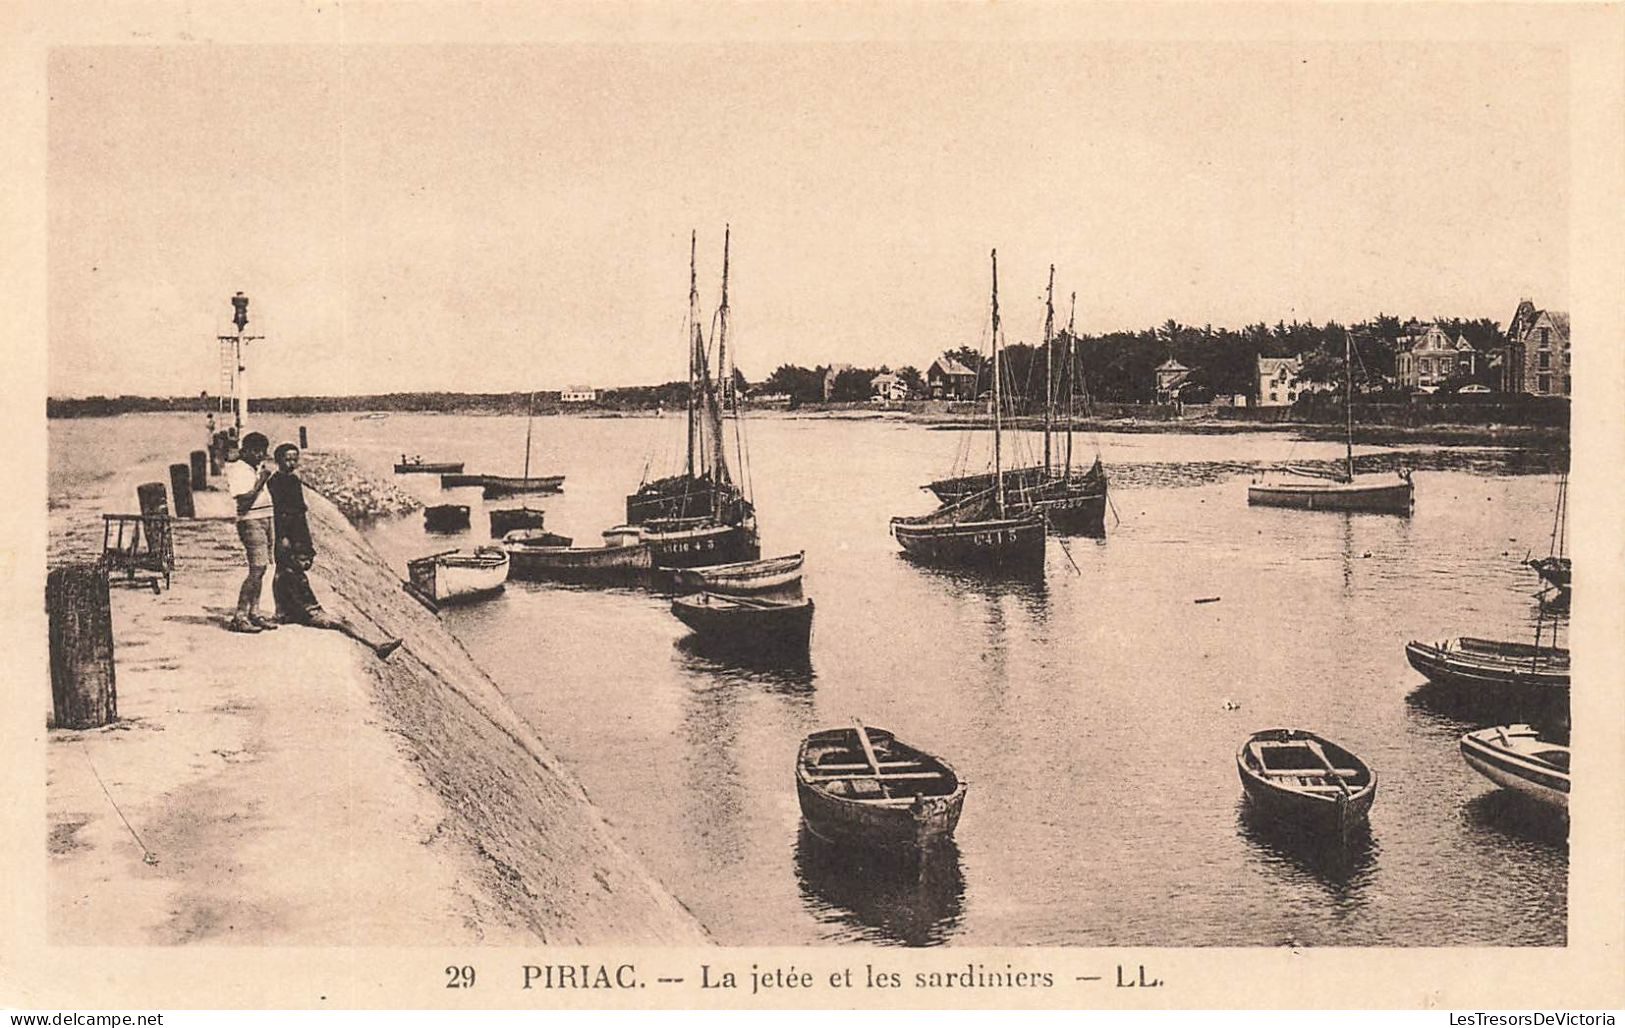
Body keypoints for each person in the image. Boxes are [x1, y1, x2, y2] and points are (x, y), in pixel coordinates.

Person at [267, 444, 403, 660]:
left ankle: (377, 644)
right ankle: (376, 645)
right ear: (278, 460)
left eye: (295, 458)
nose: (292, 463)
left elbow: (299, 516)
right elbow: (279, 513)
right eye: (287, 459)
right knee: (340, 622)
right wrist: (285, 539)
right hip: (308, 608)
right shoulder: (276, 482)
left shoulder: (292, 480)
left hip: (295, 543)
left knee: (287, 573)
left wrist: (305, 549)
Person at [224, 431, 278, 633]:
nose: (260, 455)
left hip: (265, 518)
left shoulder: (254, 467)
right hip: (250, 521)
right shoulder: (237, 469)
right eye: (255, 451)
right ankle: (239, 615)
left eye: (262, 452)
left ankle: (254, 612)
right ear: (244, 451)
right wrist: (261, 481)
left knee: (262, 569)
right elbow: (244, 501)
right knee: (257, 568)